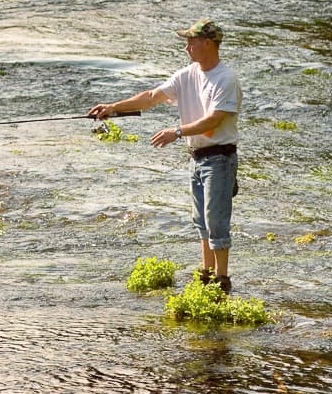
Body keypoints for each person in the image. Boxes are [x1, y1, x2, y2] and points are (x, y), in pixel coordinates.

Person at [88, 18, 241, 293]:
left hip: (220, 158)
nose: (186, 48)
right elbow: (151, 96)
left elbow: (214, 120)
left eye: (190, 43)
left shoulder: (226, 79)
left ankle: (222, 281)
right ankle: (205, 274)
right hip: (197, 158)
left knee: (217, 221)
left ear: (207, 44)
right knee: (202, 221)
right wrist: (113, 108)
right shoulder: (187, 75)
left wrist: (177, 132)